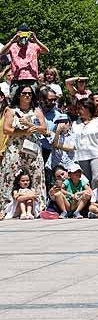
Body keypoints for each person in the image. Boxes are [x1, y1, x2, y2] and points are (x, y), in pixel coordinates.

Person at [0, 84, 47, 219]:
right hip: (15, 146)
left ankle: (38, 208)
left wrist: (31, 126)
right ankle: (5, 208)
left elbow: (44, 129)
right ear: (19, 95)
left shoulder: (36, 110)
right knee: (8, 175)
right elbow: (6, 129)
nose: (27, 95)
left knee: (37, 175)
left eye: (30, 94)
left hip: (32, 146)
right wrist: (24, 131)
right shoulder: (11, 110)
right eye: (25, 93)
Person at [72, 97, 98, 184]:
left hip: (97, 154)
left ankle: (96, 197)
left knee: (96, 179)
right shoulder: (75, 124)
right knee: (85, 181)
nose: (78, 111)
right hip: (81, 156)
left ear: (87, 108)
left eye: (80, 108)